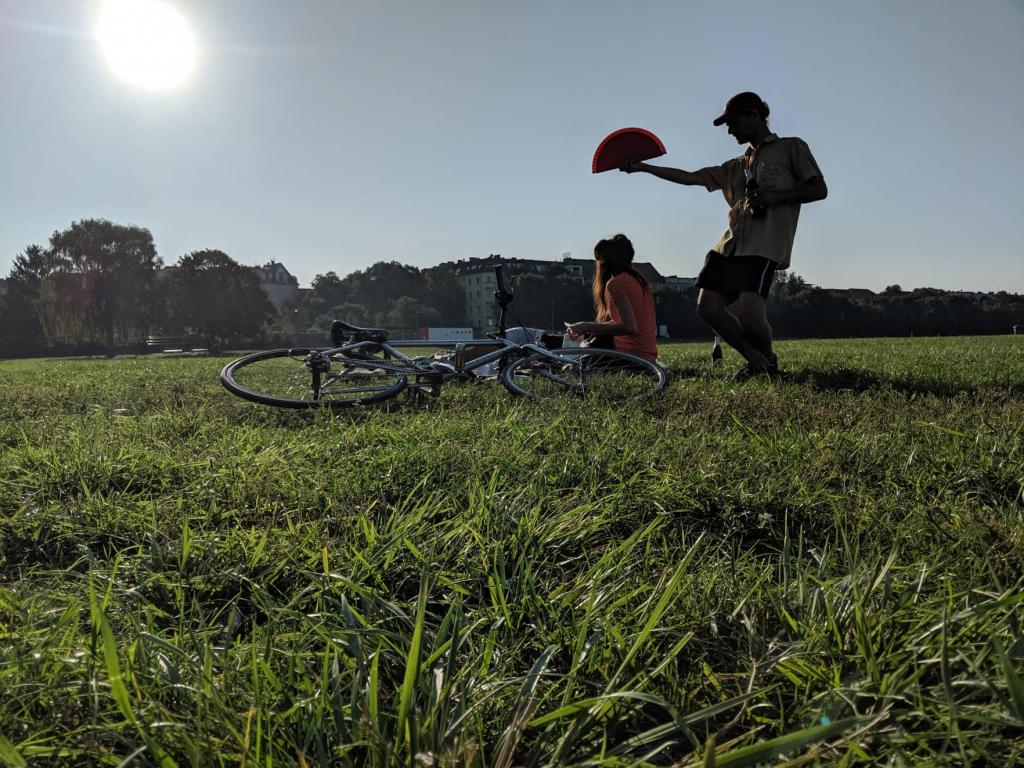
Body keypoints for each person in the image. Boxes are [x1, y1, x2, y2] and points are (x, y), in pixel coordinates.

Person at [623, 91, 827, 375]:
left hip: (763, 246)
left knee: (750, 315)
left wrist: (772, 197)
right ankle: (753, 358)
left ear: (754, 116)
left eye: (733, 123)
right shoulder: (736, 166)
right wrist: (644, 168)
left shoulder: (791, 148)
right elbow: (691, 177)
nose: (730, 131)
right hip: (728, 247)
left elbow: (819, 189)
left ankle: (766, 362)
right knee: (707, 307)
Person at [565, 234, 658, 362]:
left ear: (604, 263)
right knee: (591, 339)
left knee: (582, 349)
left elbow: (630, 327)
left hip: (631, 356)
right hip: (647, 356)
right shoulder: (638, 280)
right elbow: (626, 321)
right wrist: (587, 328)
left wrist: (588, 327)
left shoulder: (616, 283)